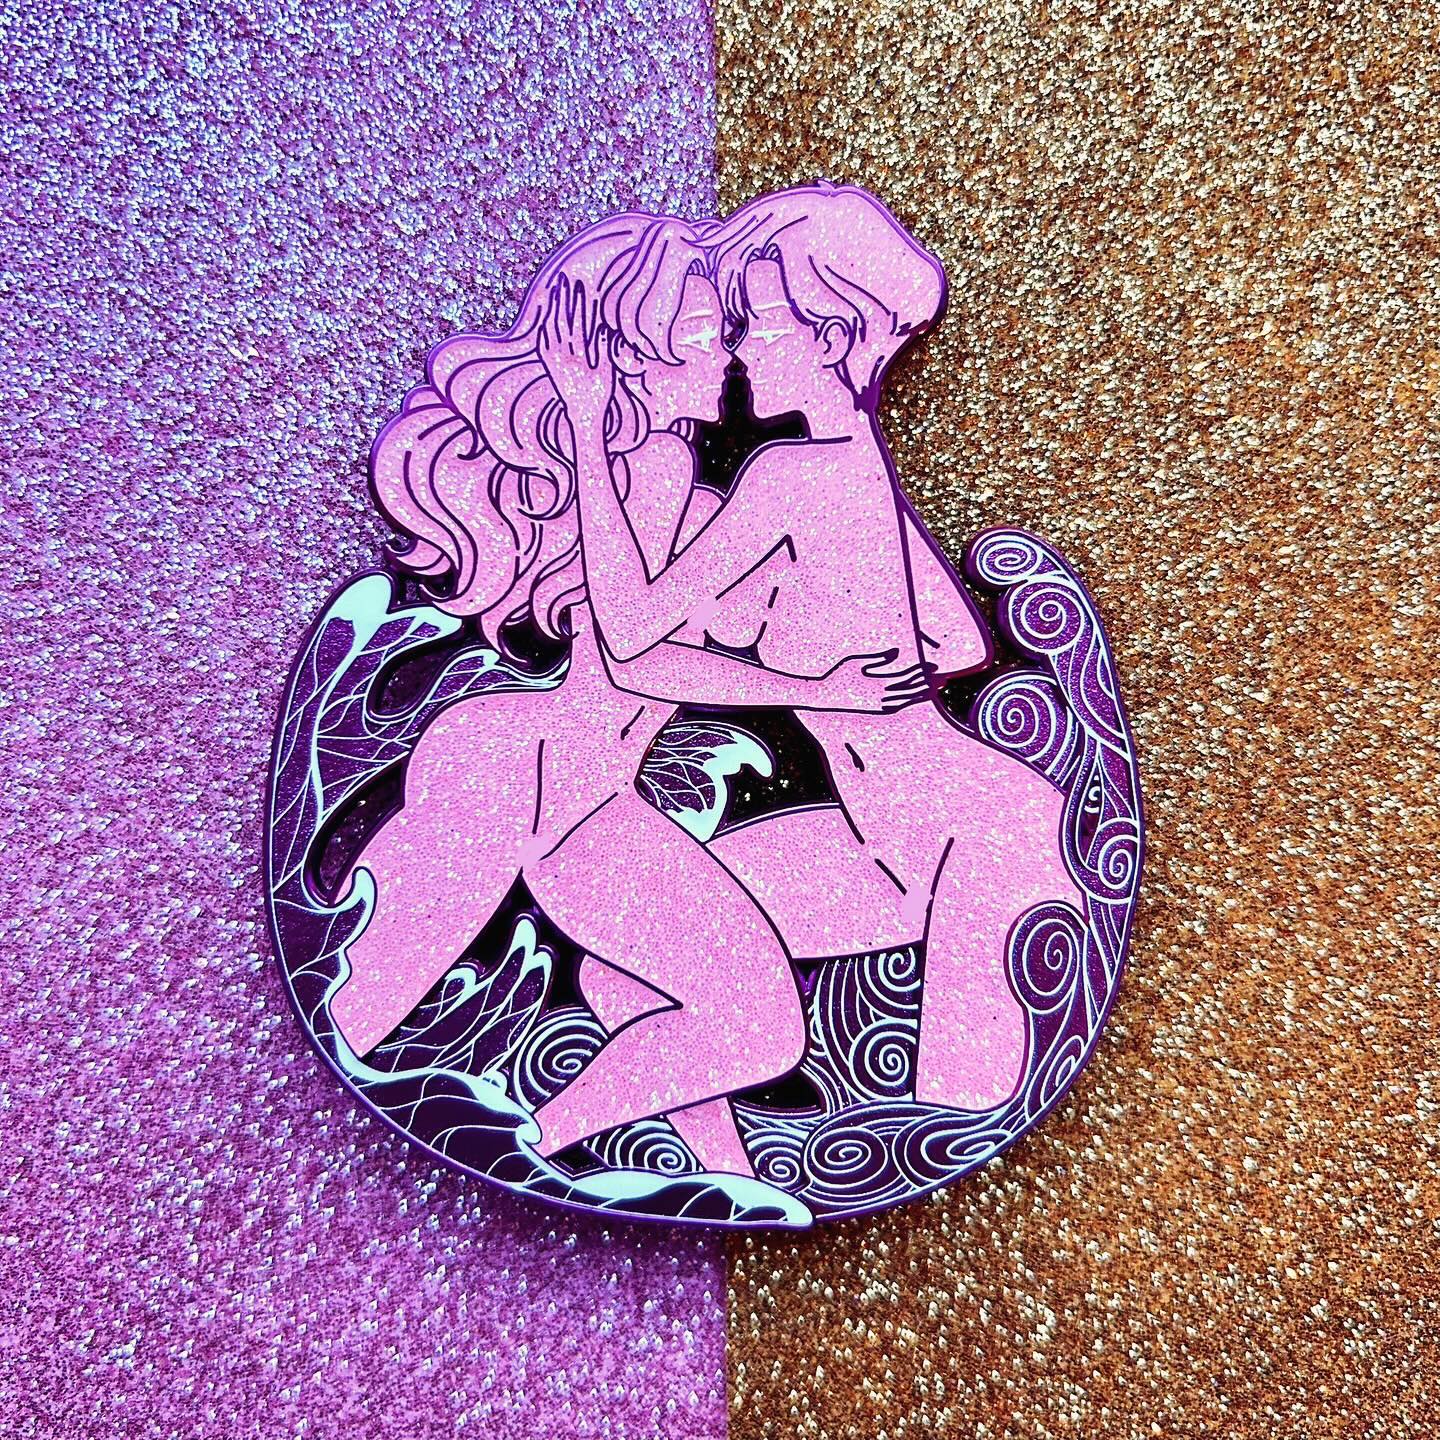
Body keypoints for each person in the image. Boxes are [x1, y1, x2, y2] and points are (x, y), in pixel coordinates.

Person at [328, 212, 928, 1173]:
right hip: (524, 774)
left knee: (746, 1019)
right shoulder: (651, 465)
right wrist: (824, 688)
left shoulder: (678, 476)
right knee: (363, 1004)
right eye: (700, 331)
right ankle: (544, 1146)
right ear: (632, 350)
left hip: (586, 798)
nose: (726, 351)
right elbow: (635, 656)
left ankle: (606, 1156)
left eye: (724, 329)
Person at [561, 183, 1085, 1113]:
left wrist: (587, 440)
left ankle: (616, 1145)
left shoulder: (788, 475)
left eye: (762, 325)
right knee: (629, 961)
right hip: (888, 838)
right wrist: (829, 645)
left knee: (960, 1102)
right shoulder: (860, 466)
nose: (739, 350)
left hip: (971, 832)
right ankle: (689, 1163)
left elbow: (631, 637)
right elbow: (957, 641)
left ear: (832, 338)